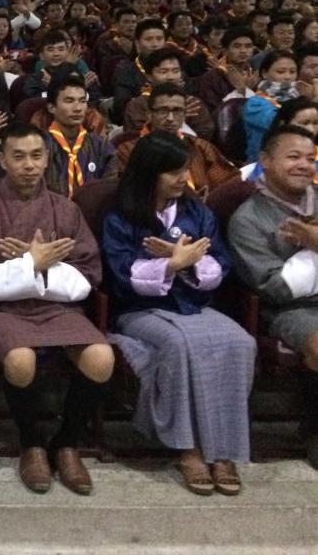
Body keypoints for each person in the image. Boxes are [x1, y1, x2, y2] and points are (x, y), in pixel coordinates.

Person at [0, 123, 113, 495]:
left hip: (58, 308)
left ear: (47, 159)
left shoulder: (64, 209)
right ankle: (32, 444)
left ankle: (66, 443)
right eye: (19, 156)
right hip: (1, 310)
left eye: (36, 156)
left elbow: (89, 271)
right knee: (21, 360)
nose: (28, 165)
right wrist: (31, 264)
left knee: (101, 359)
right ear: (3, 160)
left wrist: (36, 263)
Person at [102, 131, 253, 496]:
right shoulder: (120, 216)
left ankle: (224, 450)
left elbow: (219, 264)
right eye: (172, 172)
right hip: (141, 309)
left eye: (184, 170)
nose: (182, 179)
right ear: (149, 172)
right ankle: (189, 448)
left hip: (194, 303)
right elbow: (121, 273)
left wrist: (187, 263)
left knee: (241, 342)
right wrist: (171, 265)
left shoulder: (197, 212)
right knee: (178, 345)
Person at [228, 124, 318, 468]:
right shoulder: (248, 218)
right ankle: (313, 429)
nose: (304, 165)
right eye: (293, 157)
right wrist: (312, 250)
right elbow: (275, 288)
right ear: (265, 160)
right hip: (291, 311)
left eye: (310, 158)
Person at [117, 84, 238, 197]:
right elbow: (131, 193)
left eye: (177, 111)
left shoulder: (200, 146)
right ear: (149, 114)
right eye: (163, 111)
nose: (170, 118)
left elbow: (228, 183)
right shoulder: (128, 150)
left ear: (185, 115)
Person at [42, 74, 116, 198]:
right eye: (69, 101)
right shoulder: (39, 145)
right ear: (51, 107)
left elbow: (108, 190)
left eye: (82, 101)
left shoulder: (101, 145)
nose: (78, 108)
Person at [122, 49, 214, 140]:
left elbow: (206, 134)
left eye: (175, 71)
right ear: (149, 76)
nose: (171, 77)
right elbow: (136, 137)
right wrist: (179, 118)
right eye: (164, 72)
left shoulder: (192, 102)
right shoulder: (137, 105)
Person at [241, 98, 318, 181]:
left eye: (316, 123)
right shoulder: (272, 155)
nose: (311, 129)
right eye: (304, 123)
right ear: (283, 124)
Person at [244, 49, 299, 161]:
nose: (288, 77)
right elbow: (282, 124)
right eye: (280, 72)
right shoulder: (255, 104)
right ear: (264, 73)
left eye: (292, 72)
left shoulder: (300, 97)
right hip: (266, 164)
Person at [195, 26, 256, 111]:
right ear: (225, 50)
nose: (243, 51)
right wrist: (240, 90)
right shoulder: (211, 78)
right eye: (237, 46)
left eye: (248, 46)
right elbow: (213, 111)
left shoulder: (257, 72)